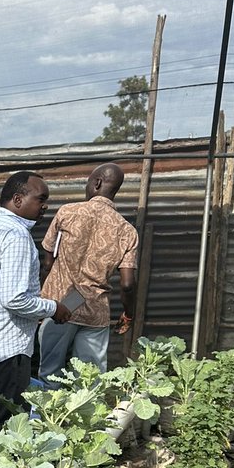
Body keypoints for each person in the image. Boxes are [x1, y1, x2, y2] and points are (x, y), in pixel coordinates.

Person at [0, 172, 71, 432]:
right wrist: (53, 308)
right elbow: (15, 299)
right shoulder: (17, 236)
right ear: (18, 199)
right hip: (8, 348)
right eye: (41, 199)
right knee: (10, 424)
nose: (45, 206)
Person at [37, 163, 139, 383]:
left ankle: (47, 417)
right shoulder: (127, 230)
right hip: (96, 310)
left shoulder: (67, 212)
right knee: (89, 380)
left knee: (49, 374)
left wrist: (41, 302)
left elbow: (47, 263)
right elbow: (128, 284)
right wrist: (128, 314)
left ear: (97, 183)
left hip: (60, 304)